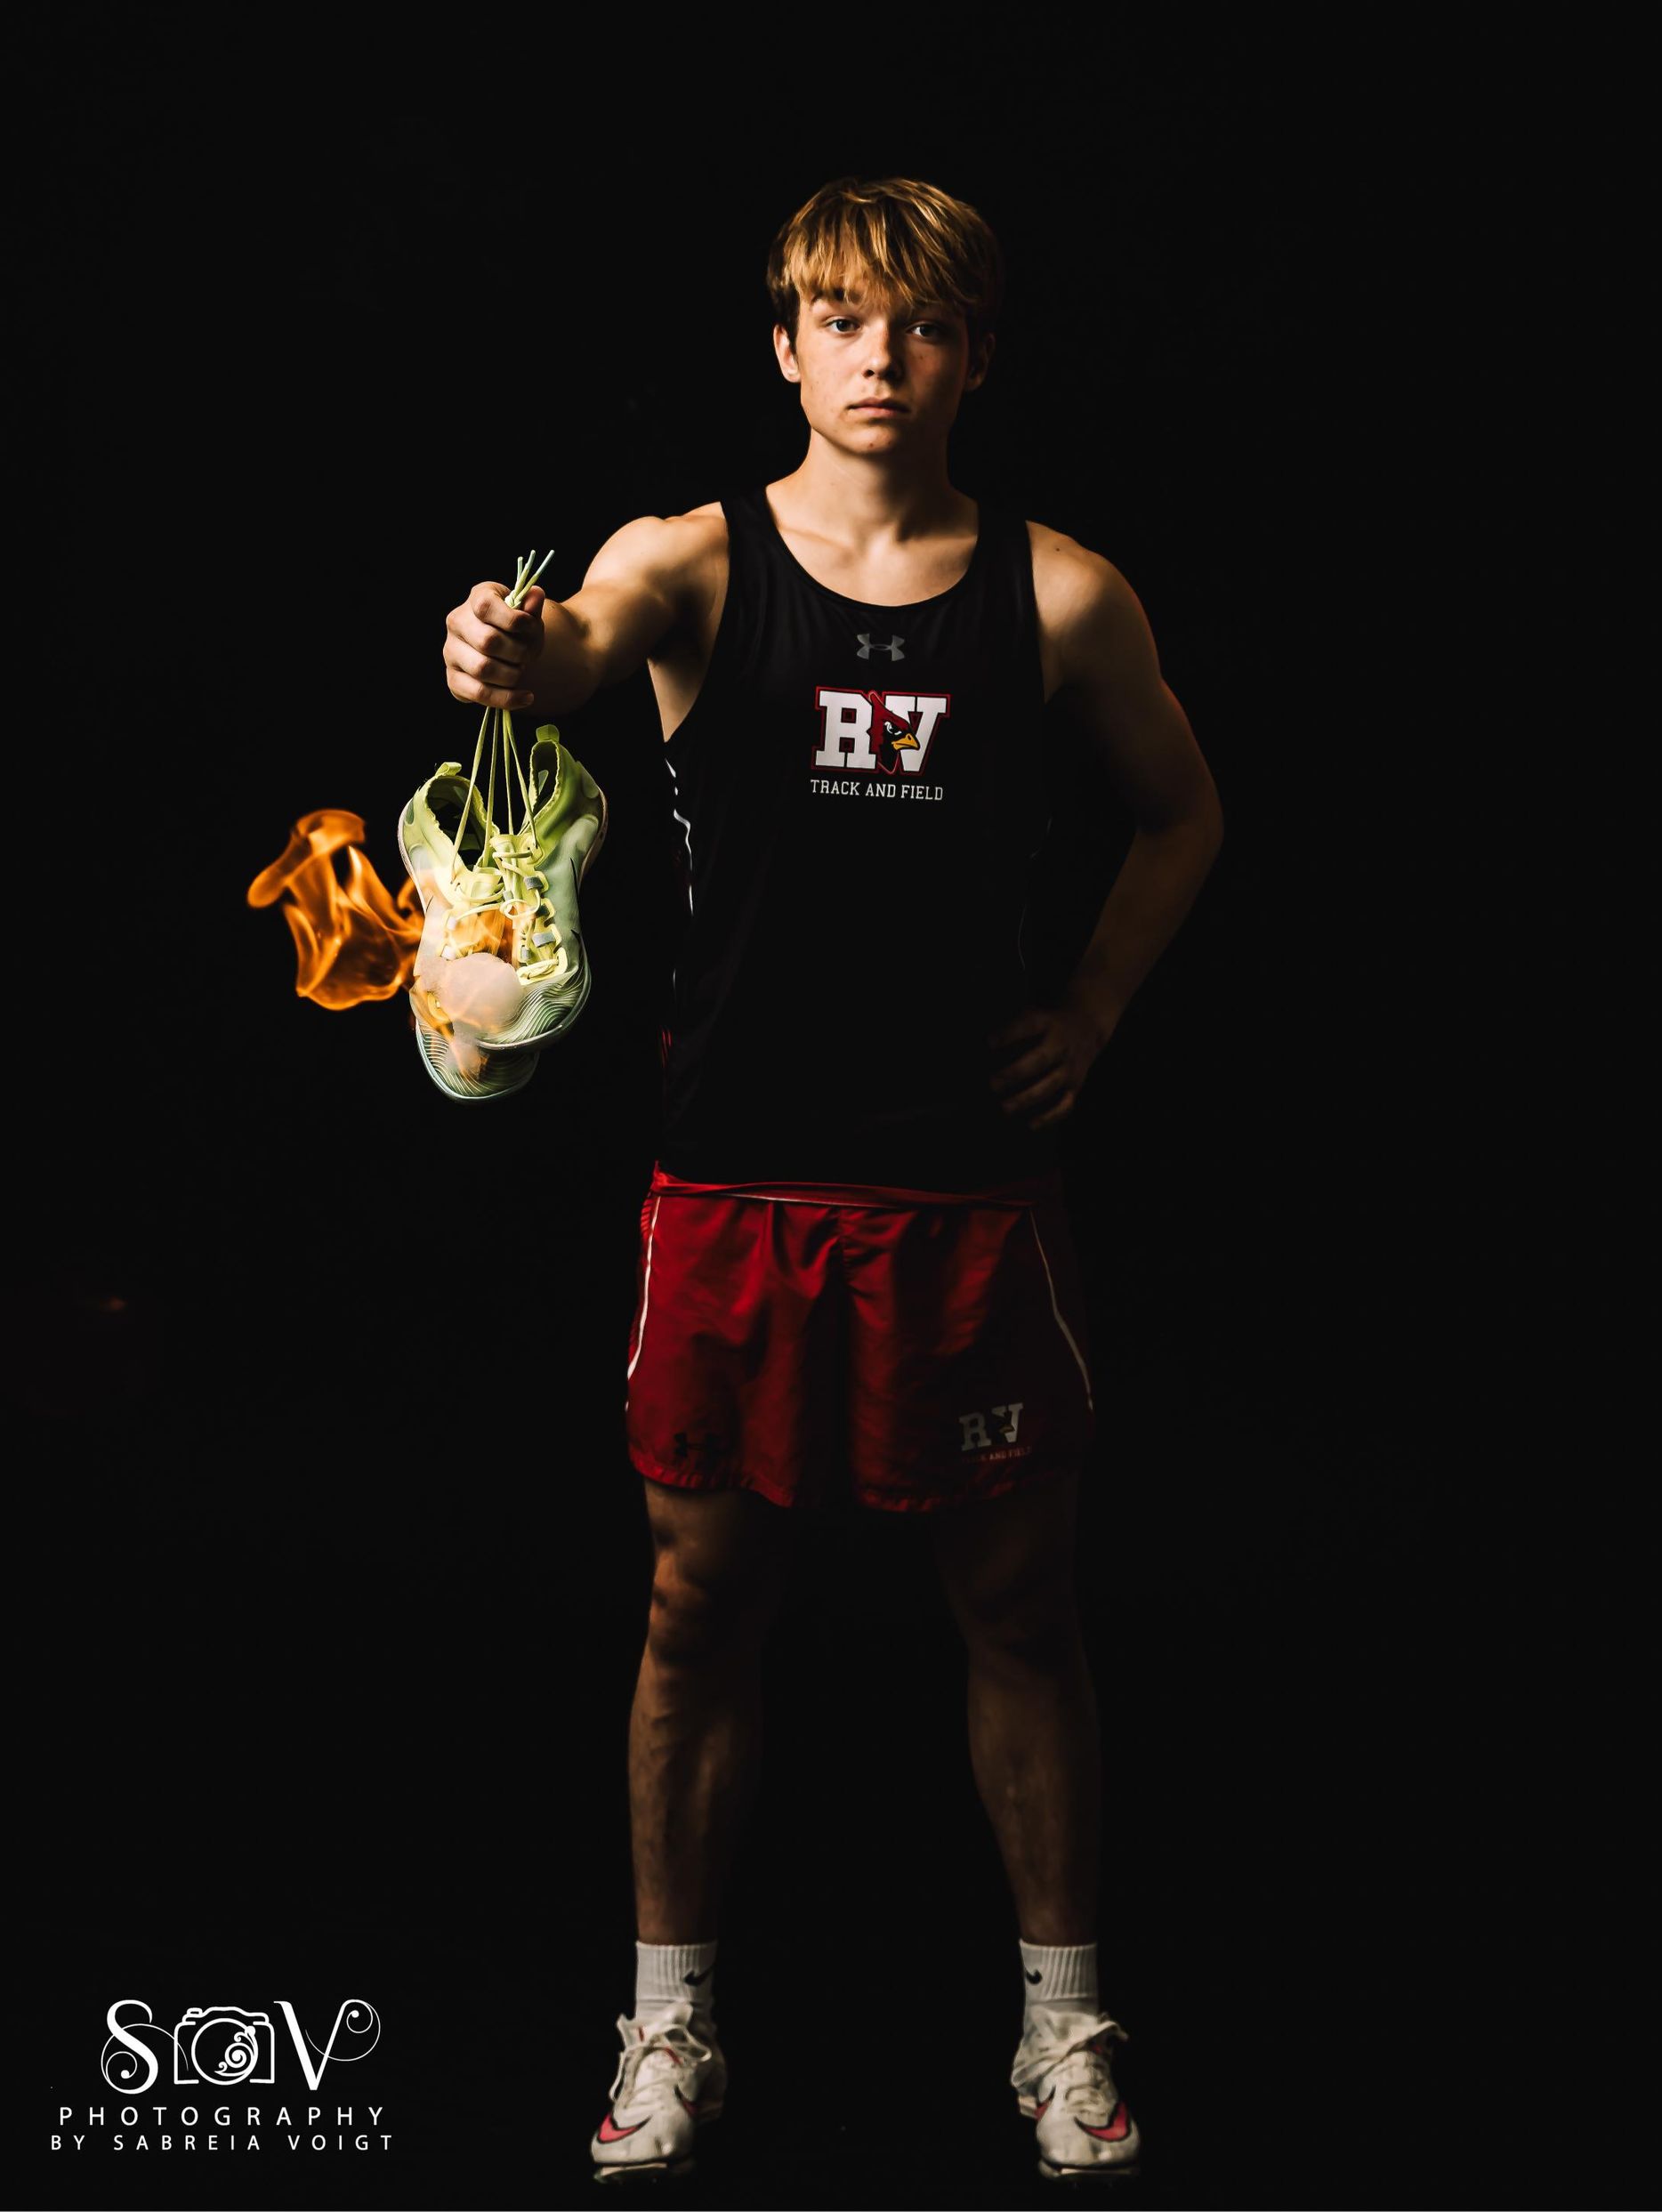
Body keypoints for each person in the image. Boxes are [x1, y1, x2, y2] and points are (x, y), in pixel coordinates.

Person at [440, 174, 1223, 2186]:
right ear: (785, 347)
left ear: (975, 354)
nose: (882, 355)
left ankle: (1065, 2030)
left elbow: (1183, 811)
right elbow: (573, 648)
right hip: (733, 1192)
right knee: (699, 1606)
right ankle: (667, 2019)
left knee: (1023, 1606)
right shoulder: (689, 567)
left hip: (963, 1197)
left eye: (924, 323)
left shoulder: (1058, 595)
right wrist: (507, 649)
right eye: (841, 318)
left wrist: (1097, 1013)